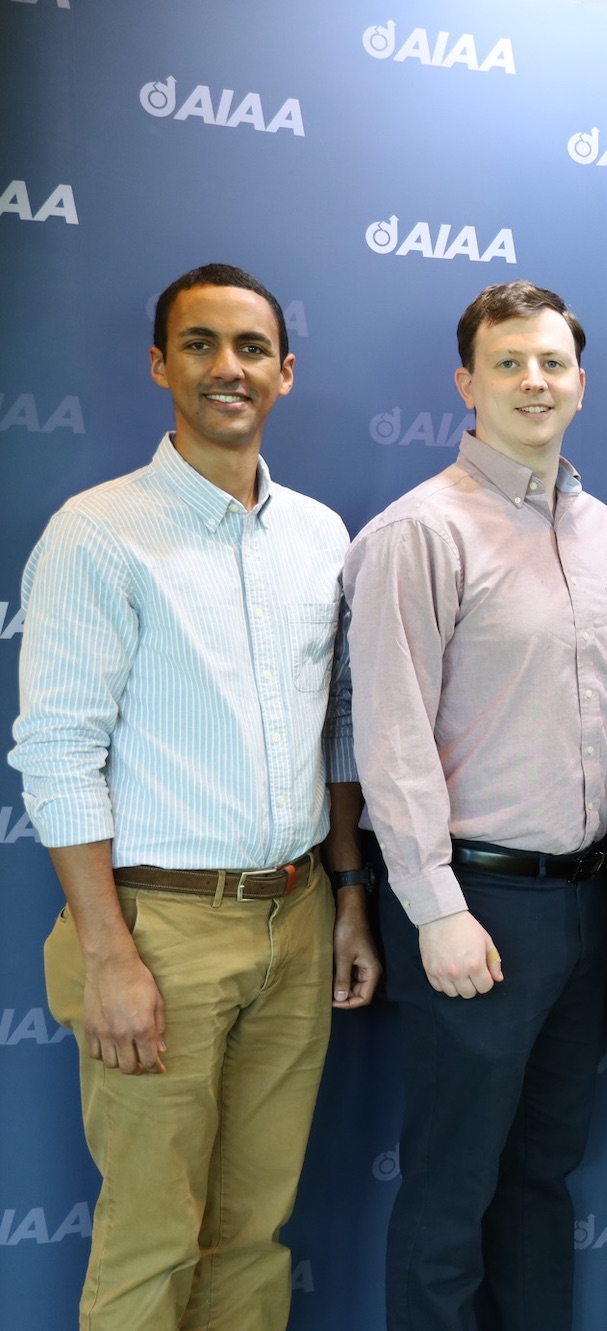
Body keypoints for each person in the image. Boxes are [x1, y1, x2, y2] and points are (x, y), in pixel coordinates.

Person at [11, 262, 378, 1330]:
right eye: (203, 345)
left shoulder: (320, 535)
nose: (229, 368)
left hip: (297, 915)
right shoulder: (99, 530)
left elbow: (338, 735)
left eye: (251, 348)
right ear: (160, 364)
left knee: (252, 1232)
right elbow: (58, 751)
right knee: (151, 1235)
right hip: (155, 929)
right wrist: (108, 951)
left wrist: (348, 899)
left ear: (286, 371)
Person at [343, 281, 607, 1331]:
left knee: (541, 1180)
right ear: (466, 383)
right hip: (474, 903)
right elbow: (388, 737)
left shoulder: (606, 532)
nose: (534, 380)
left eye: (553, 362)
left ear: (580, 382)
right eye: (510, 362)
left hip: (581, 902)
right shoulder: (418, 530)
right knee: (450, 1192)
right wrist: (434, 907)